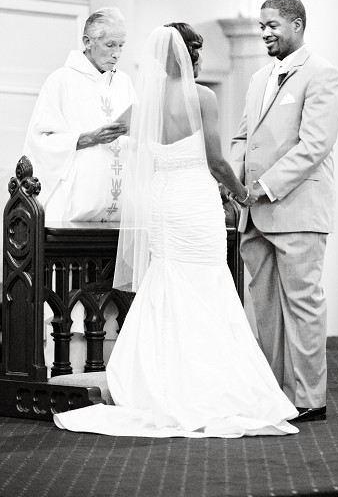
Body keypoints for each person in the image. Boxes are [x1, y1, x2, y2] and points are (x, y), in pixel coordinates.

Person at [54, 24, 299, 438]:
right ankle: (206, 385)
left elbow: (112, 130)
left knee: (167, 281)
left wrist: (80, 142)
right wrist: (240, 193)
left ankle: (156, 386)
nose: (199, 58)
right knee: (206, 284)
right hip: (194, 201)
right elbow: (216, 161)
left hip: (163, 203)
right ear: (186, 57)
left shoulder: (144, 102)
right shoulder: (202, 97)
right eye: (196, 51)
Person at [232, 0, 338, 423]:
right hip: (254, 212)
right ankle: (273, 391)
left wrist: (263, 185)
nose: (265, 33)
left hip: (297, 207)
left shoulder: (323, 74)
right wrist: (236, 182)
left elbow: (315, 145)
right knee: (262, 308)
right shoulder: (258, 78)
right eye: (261, 26)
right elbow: (243, 137)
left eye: (272, 25)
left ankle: (308, 397)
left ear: (296, 24)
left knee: (302, 303)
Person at [24, 7, 134, 222]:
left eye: (121, 46)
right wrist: (89, 138)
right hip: (74, 207)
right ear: (87, 41)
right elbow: (39, 141)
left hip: (122, 207)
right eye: (110, 45)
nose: (117, 54)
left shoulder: (124, 82)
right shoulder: (61, 81)